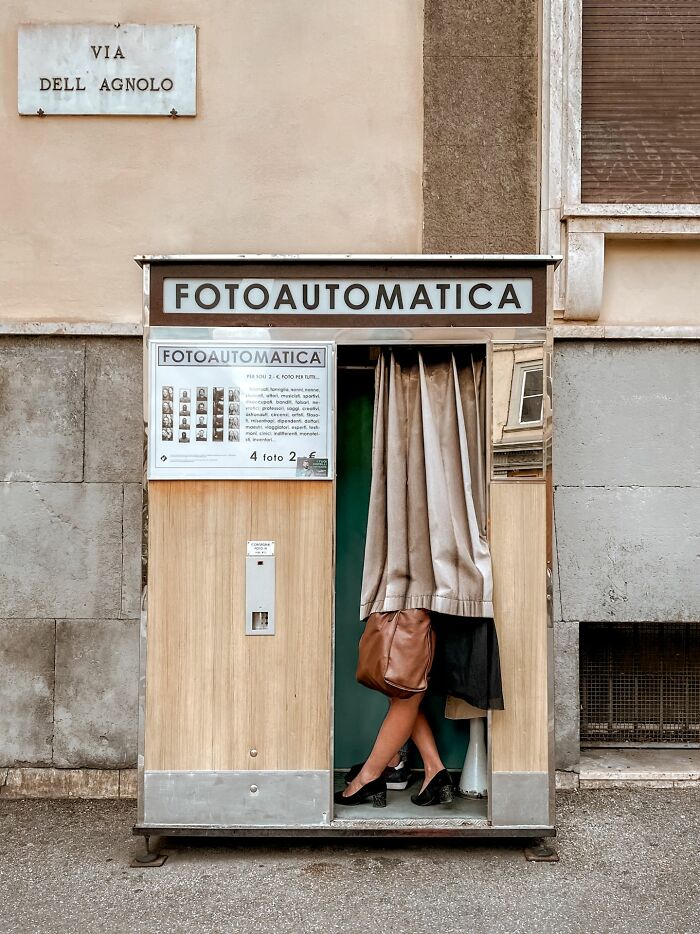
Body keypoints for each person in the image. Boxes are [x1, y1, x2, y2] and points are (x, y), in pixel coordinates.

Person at [334, 619, 452, 809]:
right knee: (402, 692)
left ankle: (368, 777)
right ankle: (435, 770)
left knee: (405, 695)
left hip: (415, 611)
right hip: (422, 611)